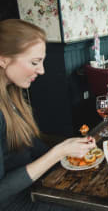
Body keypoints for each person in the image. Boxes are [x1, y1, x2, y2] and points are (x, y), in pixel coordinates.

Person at [0, 19, 96, 210]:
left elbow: (31, 147)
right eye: (35, 62)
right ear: (3, 59)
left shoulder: (11, 96)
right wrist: (57, 153)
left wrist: (69, 150)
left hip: (34, 188)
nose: (42, 70)